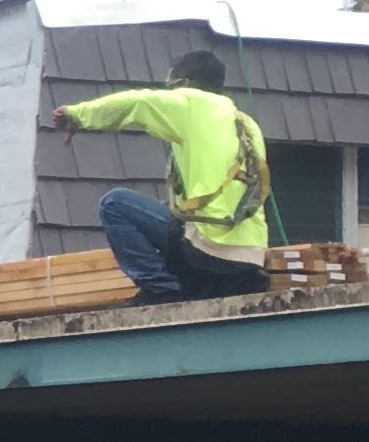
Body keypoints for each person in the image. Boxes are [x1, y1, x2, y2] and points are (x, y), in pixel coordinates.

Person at [47, 47, 275, 303]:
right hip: (250, 256)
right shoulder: (246, 123)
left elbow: (139, 102)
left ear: (185, 84)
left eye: (171, 87)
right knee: (170, 211)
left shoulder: (193, 103)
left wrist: (77, 116)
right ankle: (214, 284)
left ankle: (162, 289)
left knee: (115, 204)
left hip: (208, 248)